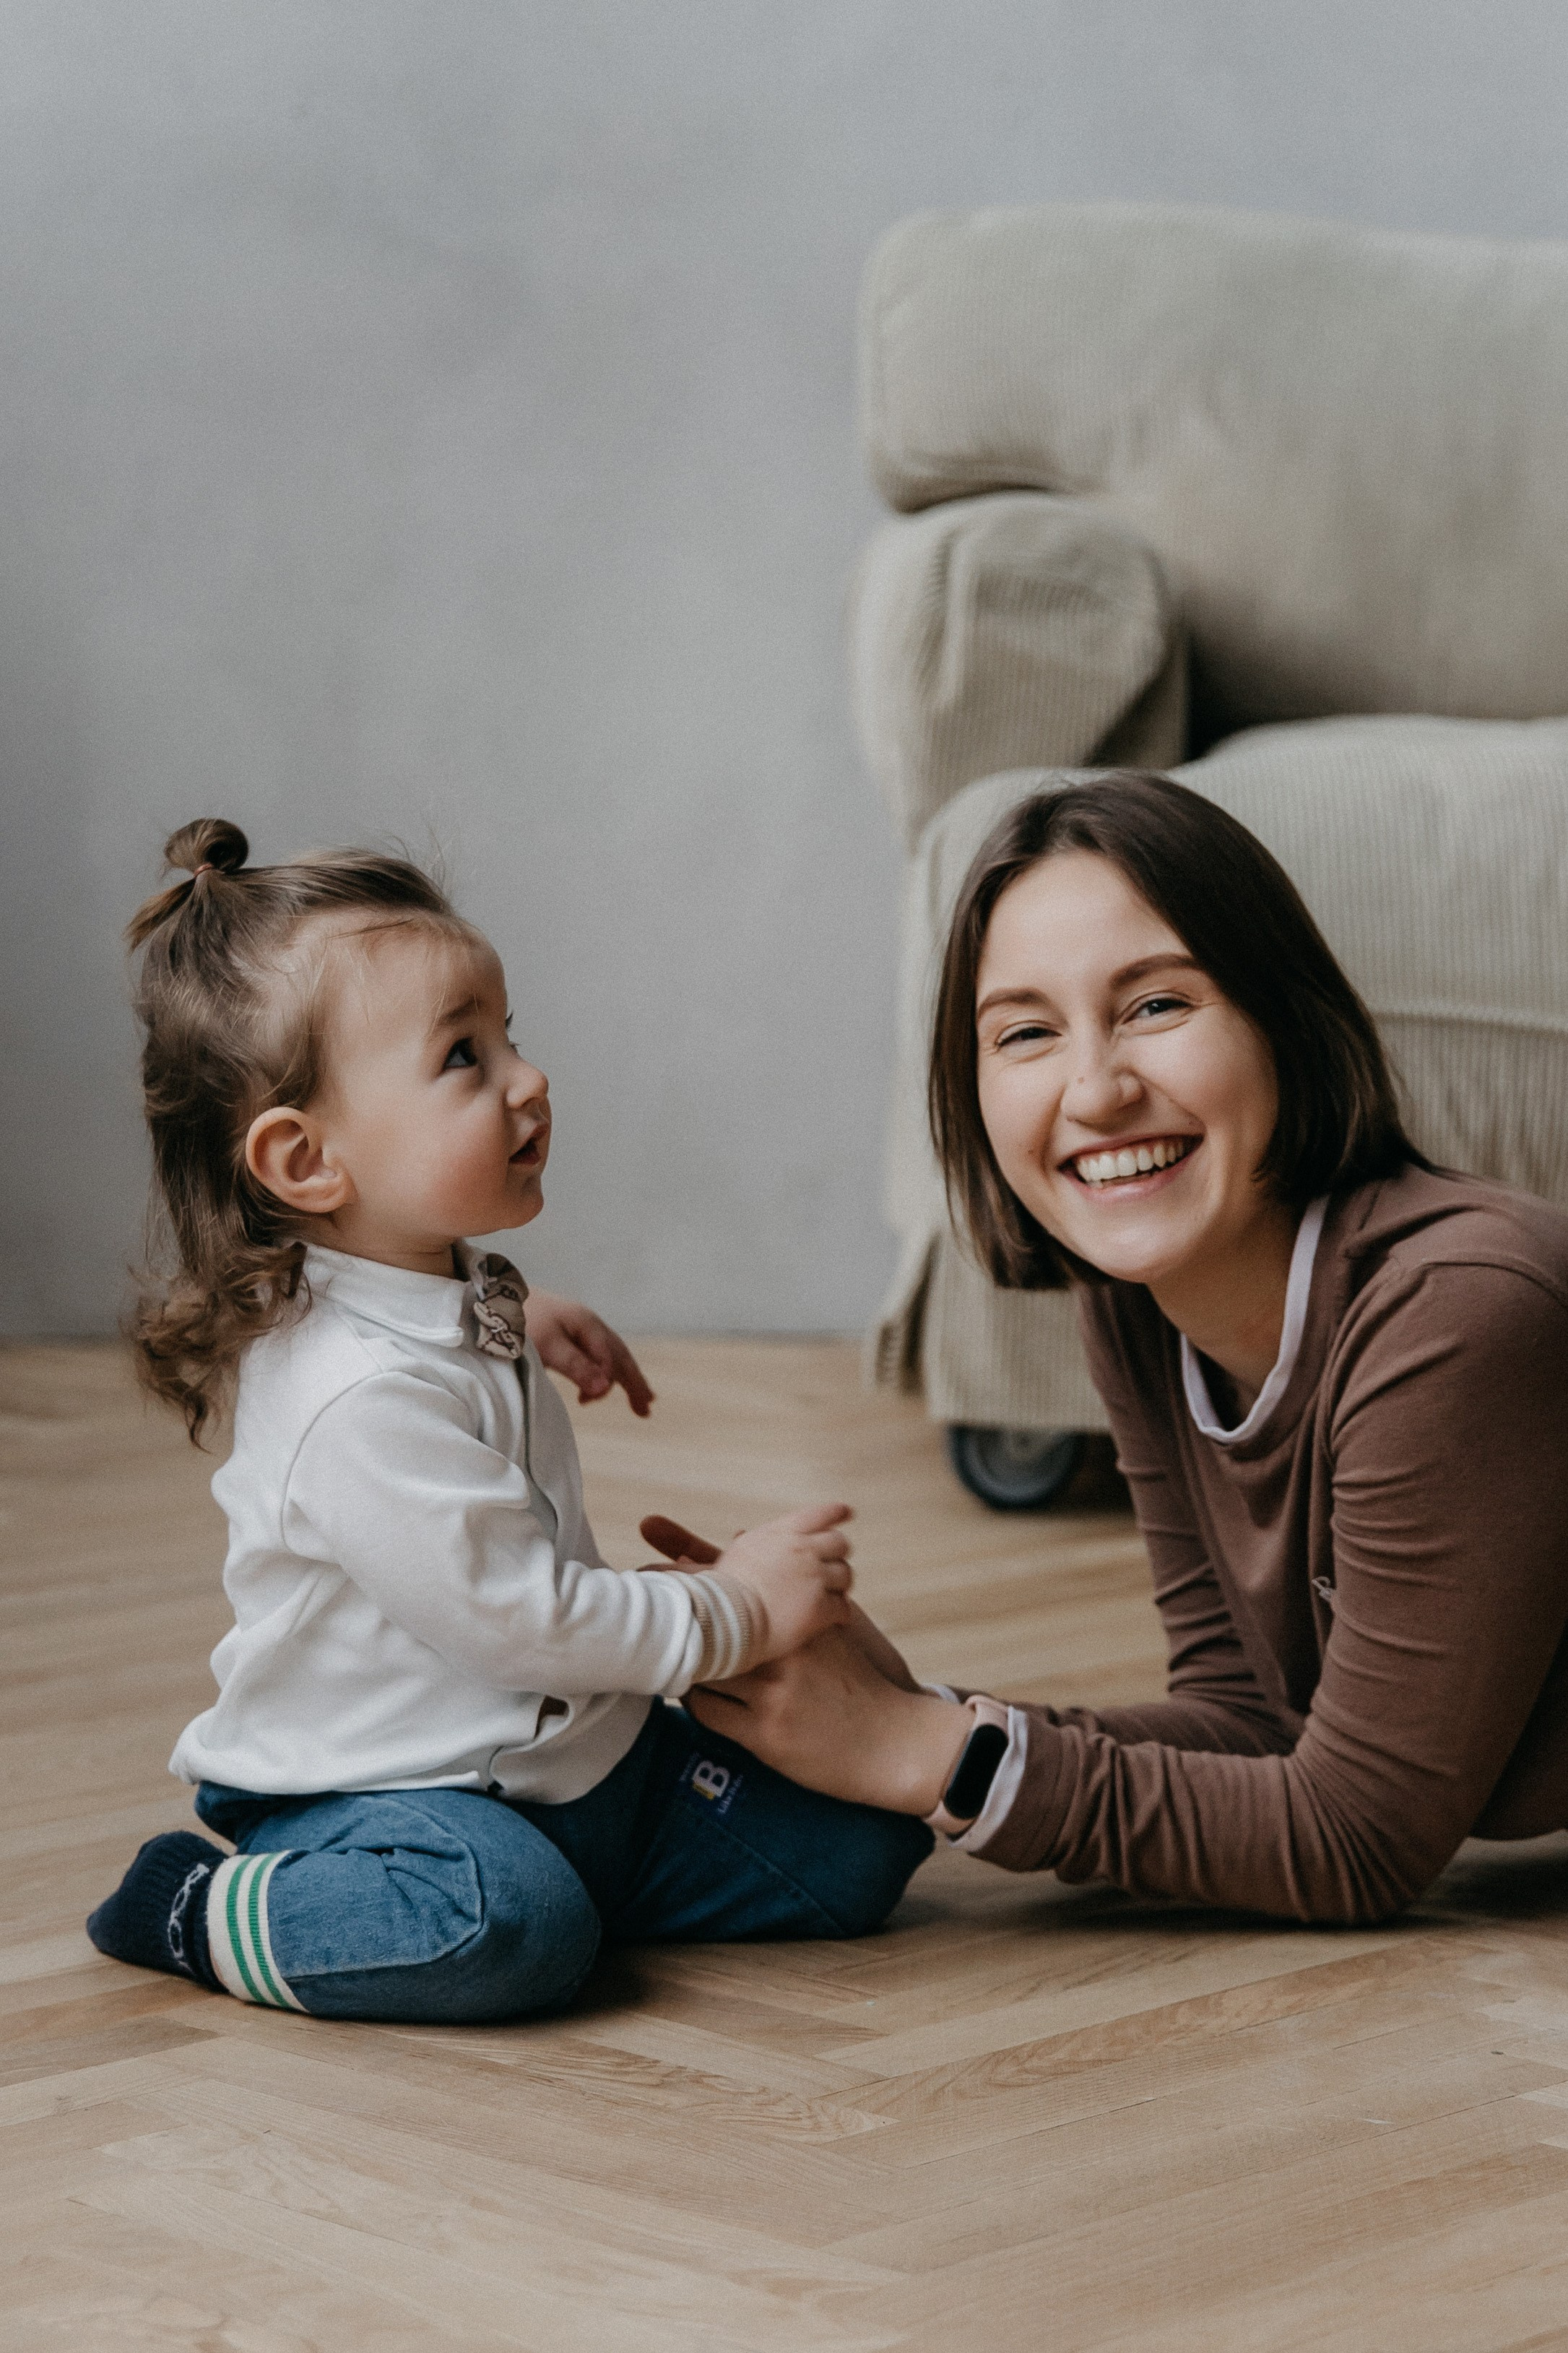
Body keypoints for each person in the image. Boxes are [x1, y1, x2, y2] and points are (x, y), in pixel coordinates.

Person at [667, 772, 1568, 1925]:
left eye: (1157, 1005)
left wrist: (928, 1752)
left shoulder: (1460, 1312)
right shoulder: (1140, 1306)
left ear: (1284, 1017)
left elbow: (1361, 1839)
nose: (1096, 1088)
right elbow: (1249, 1724)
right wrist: (894, 1708)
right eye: (1027, 1033)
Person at [87, 819, 930, 2021]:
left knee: (861, 1848)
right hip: (385, 1790)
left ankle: (581, 1877)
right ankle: (208, 1907)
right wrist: (734, 1611)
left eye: (510, 1036)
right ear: (306, 1158)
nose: (528, 1078)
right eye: (462, 1058)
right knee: (512, 1925)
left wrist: (526, 1321)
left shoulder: (439, 1287)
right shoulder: (359, 1405)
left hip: (578, 1757)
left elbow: (428, 1340)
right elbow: (519, 1619)